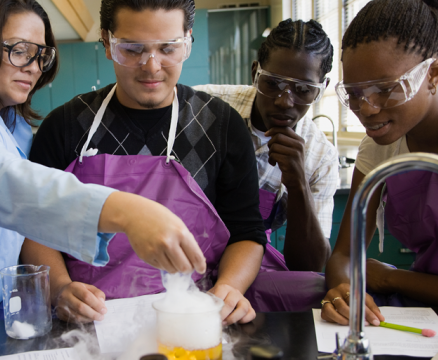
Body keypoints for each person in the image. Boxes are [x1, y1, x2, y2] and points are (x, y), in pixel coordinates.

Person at [0, 0, 207, 355]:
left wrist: (60, 289)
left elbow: (22, 225)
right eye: (19, 51)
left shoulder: (9, 123)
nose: (32, 67)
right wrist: (131, 212)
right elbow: (11, 186)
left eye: (40, 55)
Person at [25, 0, 266, 326]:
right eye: (133, 49)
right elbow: (35, 225)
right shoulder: (66, 126)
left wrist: (228, 290)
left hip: (191, 316)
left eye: (168, 48)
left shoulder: (221, 126)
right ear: (108, 43)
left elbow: (246, 233)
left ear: (188, 42)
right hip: (89, 322)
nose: (151, 66)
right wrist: (60, 288)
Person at [322, 0, 438, 326]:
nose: (367, 109)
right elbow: (345, 254)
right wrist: (342, 290)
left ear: (433, 74)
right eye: (354, 93)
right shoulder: (379, 149)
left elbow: (376, 273)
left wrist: (390, 278)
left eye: (386, 90)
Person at [194, 19, 339, 273]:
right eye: (273, 83)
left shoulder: (321, 159)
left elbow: (310, 267)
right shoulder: (203, 108)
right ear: (255, 74)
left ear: (321, 90)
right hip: (182, 249)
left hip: (246, 262)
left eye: (304, 89)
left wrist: (297, 184)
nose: (285, 101)